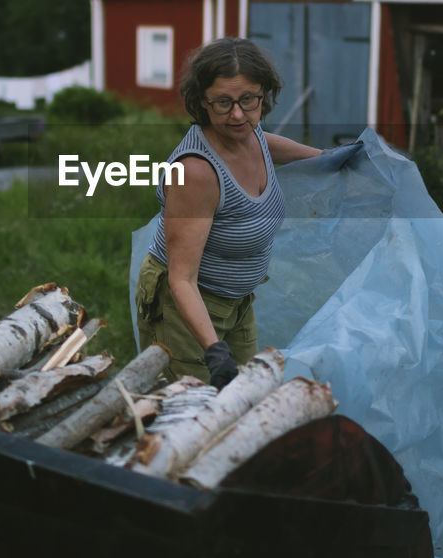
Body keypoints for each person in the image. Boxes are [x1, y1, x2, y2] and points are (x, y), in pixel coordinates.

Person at [134, 38, 322, 389]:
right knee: (191, 412)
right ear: (202, 103)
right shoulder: (196, 172)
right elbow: (181, 279)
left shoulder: (248, 133)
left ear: (263, 95)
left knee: (248, 396)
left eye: (248, 100)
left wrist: (325, 158)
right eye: (223, 102)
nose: (238, 114)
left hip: (237, 303)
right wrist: (214, 350)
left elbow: (265, 142)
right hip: (187, 311)